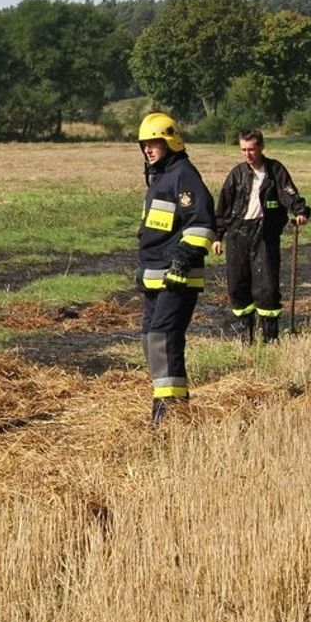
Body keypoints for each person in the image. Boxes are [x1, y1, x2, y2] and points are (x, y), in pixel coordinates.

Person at [134, 112, 217, 426]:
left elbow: (202, 223)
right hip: (156, 278)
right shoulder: (160, 178)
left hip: (177, 277)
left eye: (154, 143)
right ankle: (165, 407)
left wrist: (182, 260)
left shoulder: (183, 174)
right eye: (144, 144)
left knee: (163, 339)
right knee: (152, 341)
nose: (148, 150)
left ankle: (171, 414)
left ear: (170, 142)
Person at [213, 128, 311, 343]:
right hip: (237, 235)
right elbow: (223, 207)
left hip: (265, 235)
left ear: (261, 147)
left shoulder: (275, 171)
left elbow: (290, 194)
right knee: (238, 287)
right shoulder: (236, 175)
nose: (247, 154)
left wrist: (301, 212)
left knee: (266, 287)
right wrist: (218, 236)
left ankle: (270, 339)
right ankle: (244, 338)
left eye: (251, 149)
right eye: (243, 150)